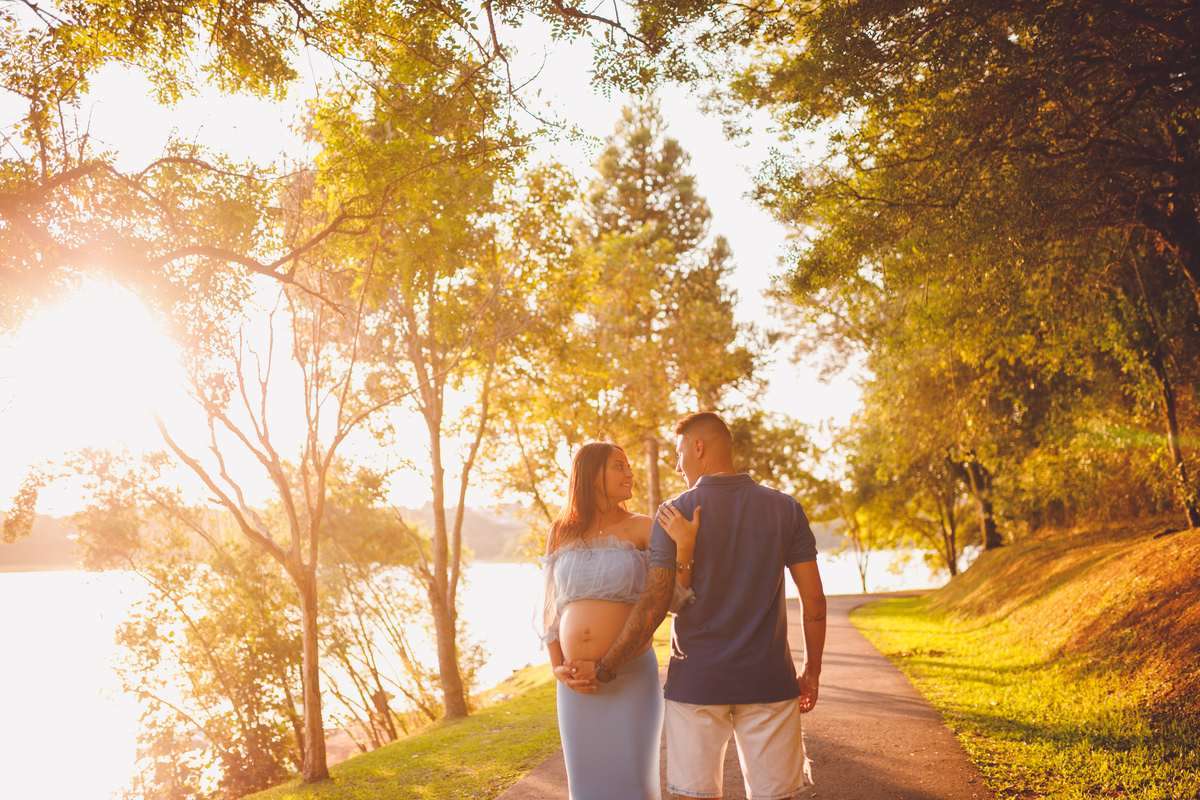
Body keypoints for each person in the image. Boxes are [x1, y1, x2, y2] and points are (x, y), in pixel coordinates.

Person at [576, 412, 827, 800]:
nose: (677, 466)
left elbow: (656, 603)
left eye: (679, 453)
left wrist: (606, 667)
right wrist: (811, 671)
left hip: (696, 684)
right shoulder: (785, 508)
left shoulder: (672, 513)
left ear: (699, 447)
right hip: (769, 681)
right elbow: (813, 599)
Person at [538, 441, 697, 800]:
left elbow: (670, 600)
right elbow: (550, 605)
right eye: (619, 466)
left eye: (629, 466)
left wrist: (684, 551)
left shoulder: (644, 527)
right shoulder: (560, 531)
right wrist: (556, 667)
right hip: (577, 686)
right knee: (586, 789)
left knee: (635, 786)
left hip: (630, 678)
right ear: (592, 475)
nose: (630, 473)